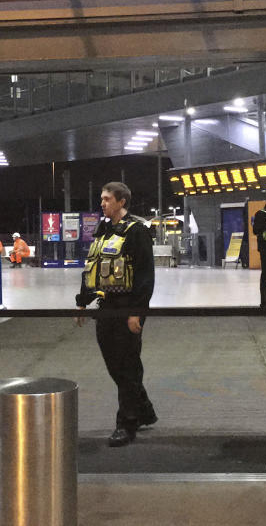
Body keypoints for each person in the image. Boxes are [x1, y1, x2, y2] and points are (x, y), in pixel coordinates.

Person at [75, 182, 157, 447]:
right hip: (105, 308)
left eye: (107, 199)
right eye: (102, 199)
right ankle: (143, 409)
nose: (102, 203)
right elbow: (93, 268)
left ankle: (127, 423)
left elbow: (146, 276)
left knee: (128, 366)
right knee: (116, 366)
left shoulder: (137, 231)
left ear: (122, 202)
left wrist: (137, 313)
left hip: (126, 307)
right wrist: (82, 302)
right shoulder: (103, 230)